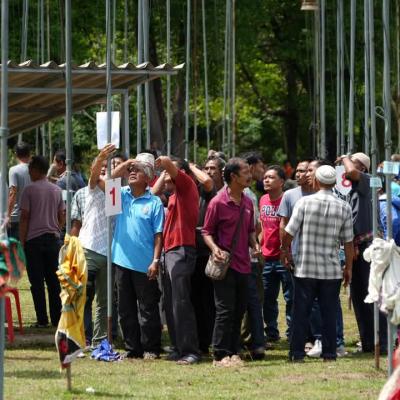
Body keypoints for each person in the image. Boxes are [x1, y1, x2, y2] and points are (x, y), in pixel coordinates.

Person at [281, 165, 354, 362]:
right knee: (329, 313)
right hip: (331, 270)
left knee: (300, 312)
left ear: (316, 181)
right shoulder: (344, 206)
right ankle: (329, 353)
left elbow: (289, 232)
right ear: (335, 182)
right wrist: (349, 267)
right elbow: (348, 243)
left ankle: (297, 353)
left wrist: (284, 250)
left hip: (305, 267)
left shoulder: (304, 203)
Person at [203, 158, 260, 367]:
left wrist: (255, 244)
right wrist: (214, 248)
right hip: (224, 265)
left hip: (244, 264)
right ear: (234, 177)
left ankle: (234, 351)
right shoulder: (217, 202)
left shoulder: (247, 202)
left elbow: (250, 230)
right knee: (225, 310)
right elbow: (206, 232)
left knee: (239, 309)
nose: (250, 175)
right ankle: (219, 354)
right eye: (245, 172)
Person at [112, 153, 164, 359]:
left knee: (147, 307)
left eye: (138, 170)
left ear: (148, 177)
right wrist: (127, 163)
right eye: (131, 170)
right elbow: (109, 180)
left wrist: (155, 261)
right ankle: (132, 349)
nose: (132, 173)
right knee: (125, 308)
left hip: (145, 264)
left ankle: (151, 348)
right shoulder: (120, 195)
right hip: (121, 261)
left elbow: (158, 235)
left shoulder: (154, 202)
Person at [339, 152, 388, 353]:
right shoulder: (351, 190)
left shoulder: (367, 180)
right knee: (359, 296)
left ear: (362, 167)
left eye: (351, 163)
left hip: (368, 246)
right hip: (356, 245)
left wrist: (344, 157)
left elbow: (350, 171)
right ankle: (368, 342)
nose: (345, 168)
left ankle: (382, 341)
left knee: (372, 294)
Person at [155, 156, 201, 365]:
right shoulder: (173, 195)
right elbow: (152, 193)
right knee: (169, 303)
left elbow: (169, 164)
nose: (164, 177)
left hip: (181, 249)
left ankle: (191, 351)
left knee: (181, 302)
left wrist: (164, 161)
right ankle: (177, 347)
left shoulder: (187, 186)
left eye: (168, 174)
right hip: (169, 250)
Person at [19, 156, 65, 327]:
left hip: (34, 241)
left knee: (36, 282)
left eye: (30, 170)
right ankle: (56, 318)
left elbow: (24, 217)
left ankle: (42, 319)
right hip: (53, 240)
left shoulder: (29, 190)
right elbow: (62, 215)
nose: (29, 173)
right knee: (54, 283)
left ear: (36, 170)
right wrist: (57, 229)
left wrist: (22, 241)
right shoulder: (56, 190)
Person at [260, 165, 292, 343]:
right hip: (266, 257)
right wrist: (259, 245)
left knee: (290, 297)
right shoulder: (263, 199)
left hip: (284, 257)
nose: (266, 180)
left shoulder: (287, 199)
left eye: (271, 177)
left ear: (281, 182)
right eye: (265, 177)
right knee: (267, 298)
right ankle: (271, 332)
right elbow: (262, 226)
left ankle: (292, 332)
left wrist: (287, 251)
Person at [7, 142, 31, 239]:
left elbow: (13, 193)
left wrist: (7, 215)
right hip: (32, 216)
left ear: (16, 154)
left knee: (15, 246)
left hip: (17, 217)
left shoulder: (14, 170)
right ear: (29, 154)